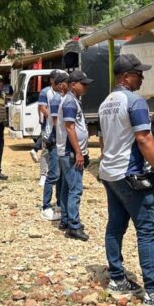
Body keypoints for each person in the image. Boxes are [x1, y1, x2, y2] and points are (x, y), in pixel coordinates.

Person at [98, 55, 154, 306]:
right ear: (125, 76)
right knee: (147, 230)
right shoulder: (135, 102)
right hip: (130, 173)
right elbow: (144, 139)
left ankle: (117, 279)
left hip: (110, 172)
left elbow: (104, 140)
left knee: (115, 226)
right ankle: (153, 292)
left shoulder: (106, 102)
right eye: (138, 73)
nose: (142, 77)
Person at [57, 70, 92, 240]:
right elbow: (70, 128)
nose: (86, 87)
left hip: (68, 151)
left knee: (67, 187)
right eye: (82, 84)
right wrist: (79, 152)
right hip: (70, 152)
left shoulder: (72, 100)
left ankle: (66, 219)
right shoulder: (70, 102)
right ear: (73, 85)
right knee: (75, 189)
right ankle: (74, 226)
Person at [40, 72, 68, 221]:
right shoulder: (57, 99)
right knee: (54, 175)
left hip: (60, 141)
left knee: (61, 175)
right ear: (61, 84)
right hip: (55, 140)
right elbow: (57, 123)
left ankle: (59, 204)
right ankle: (45, 206)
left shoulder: (63, 98)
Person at [30, 70, 60, 163]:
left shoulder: (61, 92)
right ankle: (44, 170)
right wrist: (52, 119)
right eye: (57, 78)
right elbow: (42, 108)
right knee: (46, 147)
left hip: (57, 124)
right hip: (48, 123)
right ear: (51, 80)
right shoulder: (45, 91)